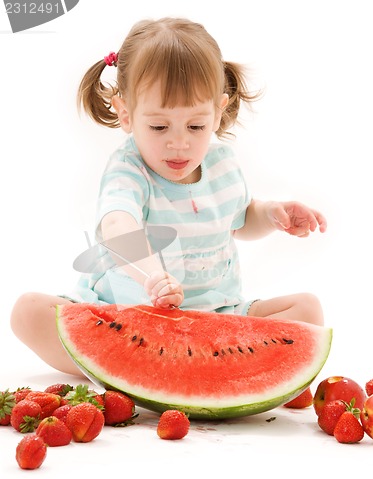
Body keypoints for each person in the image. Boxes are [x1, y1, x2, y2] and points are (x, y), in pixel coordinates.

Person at [10, 17, 327, 375]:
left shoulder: (222, 166)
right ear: (126, 113)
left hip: (217, 315)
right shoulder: (129, 171)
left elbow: (239, 221)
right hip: (128, 317)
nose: (180, 142)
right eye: (159, 127)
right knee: (28, 311)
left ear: (218, 111)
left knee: (308, 310)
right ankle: (125, 366)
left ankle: (192, 367)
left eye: (196, 125)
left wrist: (271, 214)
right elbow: (117, 224)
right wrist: (151, 276)